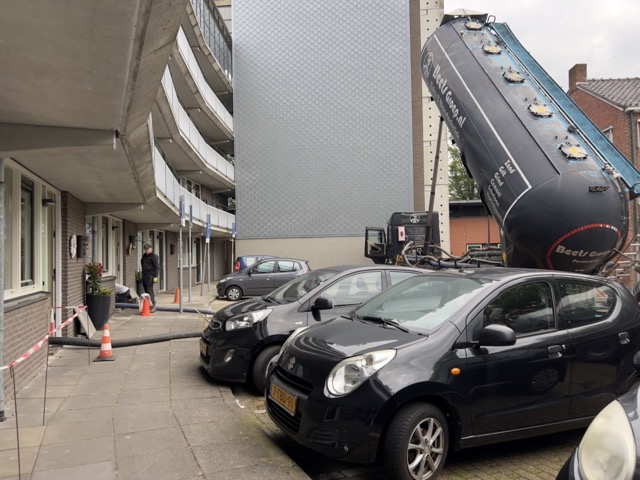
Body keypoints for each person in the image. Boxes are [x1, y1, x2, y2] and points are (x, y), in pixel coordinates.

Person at [140, 243, 159, 311]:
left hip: (150, 275)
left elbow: (156, 266)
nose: (147, 250)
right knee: (146, 291)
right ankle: (148, 304)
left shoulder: (153, 256)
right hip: (144, 275)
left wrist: (155, 276)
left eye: (148, 249)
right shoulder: (144, 256)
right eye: (145, 249)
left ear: (151, 249)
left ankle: (153, 305)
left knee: (149, 290)